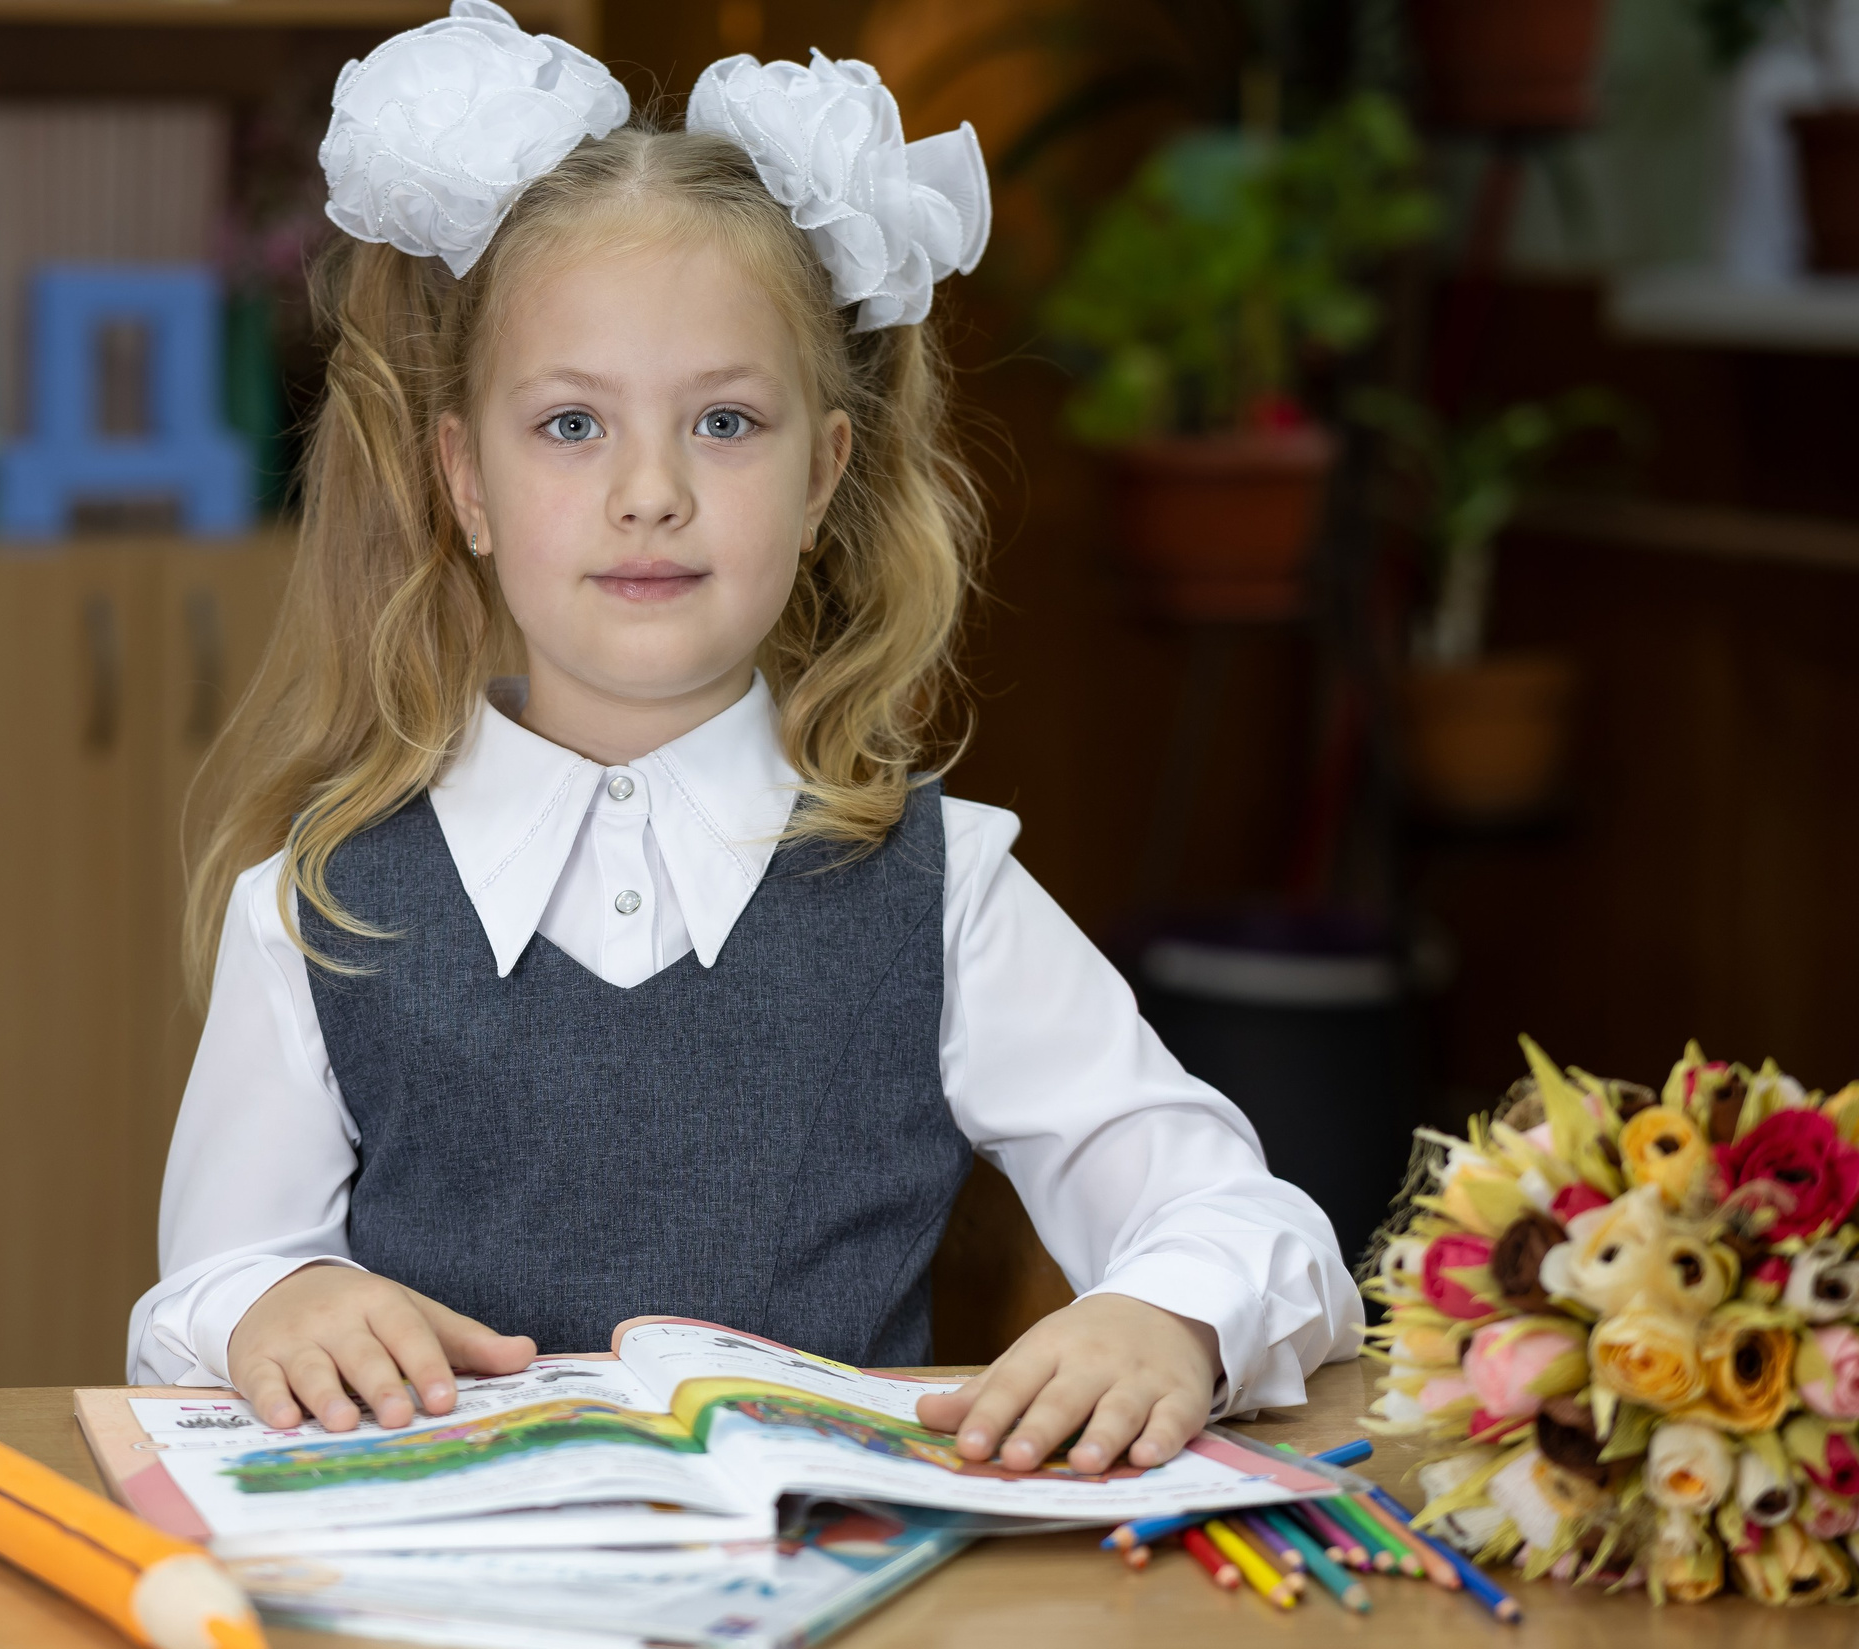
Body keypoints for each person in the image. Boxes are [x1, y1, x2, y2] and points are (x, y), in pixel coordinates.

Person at [129, 1, 1363, 1476]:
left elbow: (1246, 1221)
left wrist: (1166, 1317)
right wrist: (284, 1298)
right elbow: (195, 1301)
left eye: (724, 423)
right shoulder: (316, 907)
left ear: (824, 473)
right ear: (462, 478)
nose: (651, 491)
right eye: (572, 427)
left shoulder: (945, 892)